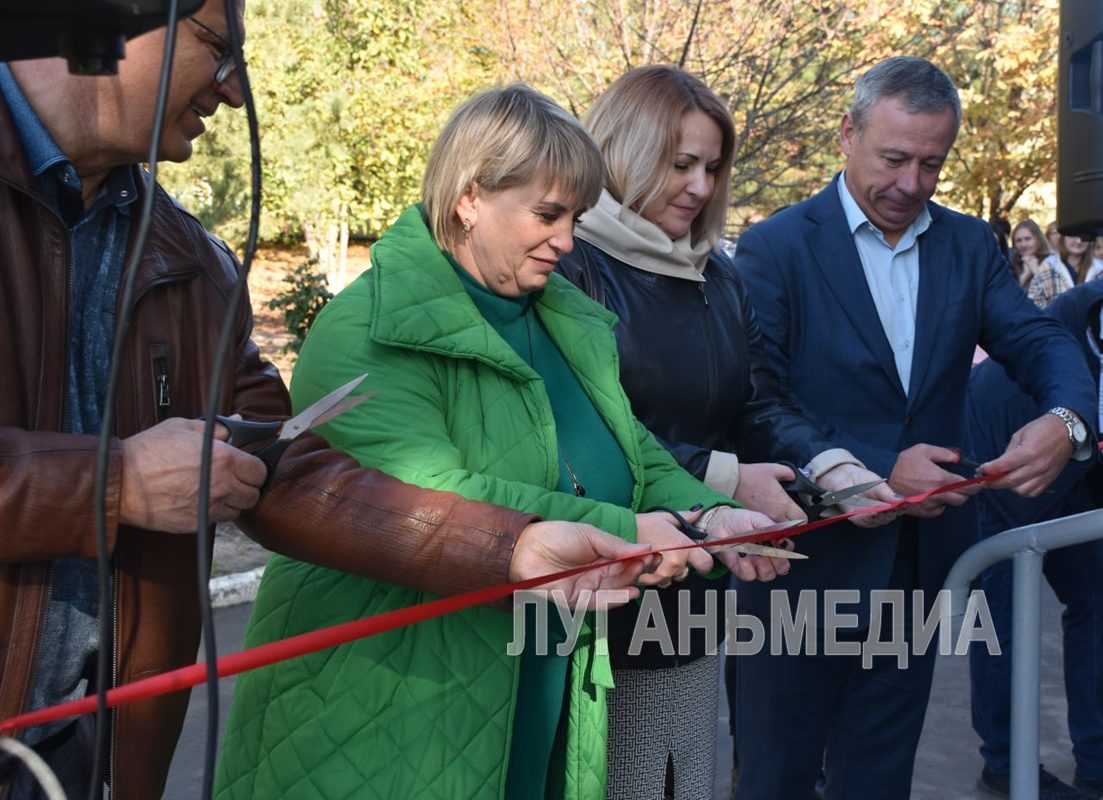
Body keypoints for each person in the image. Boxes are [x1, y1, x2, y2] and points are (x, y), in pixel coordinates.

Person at [0, 4, 658, 798]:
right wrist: (114, 483)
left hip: (92, 746)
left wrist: (508, 547)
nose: (234, 91)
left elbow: (294, 473)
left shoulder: (190, 260)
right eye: (216, 48)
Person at [213, 83, 788, 800]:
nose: (568, 240)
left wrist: (707, 515)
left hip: (540, 671)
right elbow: (434, 501)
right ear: (470, 197)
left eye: (574, 216)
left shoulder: (560, 317)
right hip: (394, 695)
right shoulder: (368, 330)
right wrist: (636, 531)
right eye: (547, 214)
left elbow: (629, 450)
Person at [732, 56, 1097, 800]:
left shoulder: (966, 245)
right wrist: (870, 468)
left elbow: (1039, 342)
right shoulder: (775, 247)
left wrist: (1068, 420)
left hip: (915, 571)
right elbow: (756, 403)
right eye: (894, 159)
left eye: (931, 164)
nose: (910, 185)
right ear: (847, 134)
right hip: (800, 565)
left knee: (877, 780)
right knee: (775, 777)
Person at [555, 64, 896, 799]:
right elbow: (585, 432)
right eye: (681, 164)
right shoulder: (567, 264)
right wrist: (722, 479)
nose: (701, 187)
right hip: (606, 574)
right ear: (625, 148)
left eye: (712, 167)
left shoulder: (718, 275)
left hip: (700, 582)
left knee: (680, 774)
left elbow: (758, 403)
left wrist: (835, 469)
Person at [968, 280, 1103, 800]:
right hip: (994, 468)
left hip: (1072, 470)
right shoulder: (1088, 311)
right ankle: (1004, 764)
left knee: (1095, 599)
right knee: (1003, 624)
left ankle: (1097, 761)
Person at [1029, 233, 1093, 307]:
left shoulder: (1099, 270)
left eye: (1083, 236)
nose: (1078, 241)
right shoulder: (1049, 266)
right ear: (1063, 238)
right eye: (1073, 235)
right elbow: (1034, 301)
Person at [1010, 218, 1060, 293]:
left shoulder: (1053, 261)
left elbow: (1052, 293)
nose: (1023, 245)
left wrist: (1036, 270)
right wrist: (1025, 275)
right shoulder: (1011, 264)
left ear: (1038, 239)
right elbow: (1009, 295)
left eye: (1028, 239)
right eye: (1019, 240)